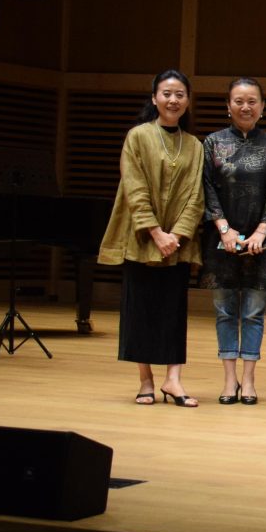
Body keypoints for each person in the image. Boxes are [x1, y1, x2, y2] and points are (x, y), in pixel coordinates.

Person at [97, 69, 206, 407]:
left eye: (180, 95)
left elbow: (196, 196)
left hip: (178, 243)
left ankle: (173, 380)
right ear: (155, 98)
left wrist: (177, 235)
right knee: (140, 308)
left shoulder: (195, 145)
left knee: (174, 310)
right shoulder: (138, 136)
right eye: (166, 94)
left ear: (187, 101)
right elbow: (134, 188)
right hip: (142, 238)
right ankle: (145, 380)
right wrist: (156, 232)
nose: (173, 100)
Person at [199, 77, 266, 406]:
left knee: (253, 313)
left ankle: (248, 379)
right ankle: (228, 379)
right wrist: (224, 228)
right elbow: (206, 187)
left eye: (252, 101)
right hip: (221, 238)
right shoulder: (212, 142)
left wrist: (262, 231)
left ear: (262, 107)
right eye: (238, 101)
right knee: (224, 311)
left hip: (261, 241)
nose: (245, 107)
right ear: (228, 106)